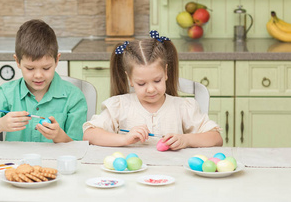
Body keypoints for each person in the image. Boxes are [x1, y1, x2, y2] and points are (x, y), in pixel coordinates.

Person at [83, 30, 223, 150]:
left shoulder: (182, 107)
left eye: (157, 81)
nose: (150, 89)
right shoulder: (119, 106)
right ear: (130, 79)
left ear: (166, 72)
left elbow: (216, 138)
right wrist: (124, 139)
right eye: (141, 83)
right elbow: (89, 134)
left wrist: (186, 140)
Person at [0, 19, 87, 143]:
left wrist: (59, 136)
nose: (38, 75)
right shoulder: (7, 93)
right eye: (30, 68)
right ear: (17, 61)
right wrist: (0, 124)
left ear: (57, 60)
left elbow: (79, 148)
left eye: (46, 68)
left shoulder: (74, 97)